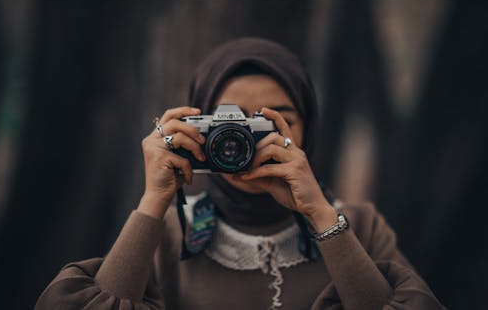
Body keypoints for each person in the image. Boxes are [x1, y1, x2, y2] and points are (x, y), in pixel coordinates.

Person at [36, 38, 445, 309]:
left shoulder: (360, 227)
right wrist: (153, 202)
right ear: (196, 125)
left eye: (270, 122)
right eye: (227, 122)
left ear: (310, 130)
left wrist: (321, 215)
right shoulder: (168, 234)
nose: (240, 142)